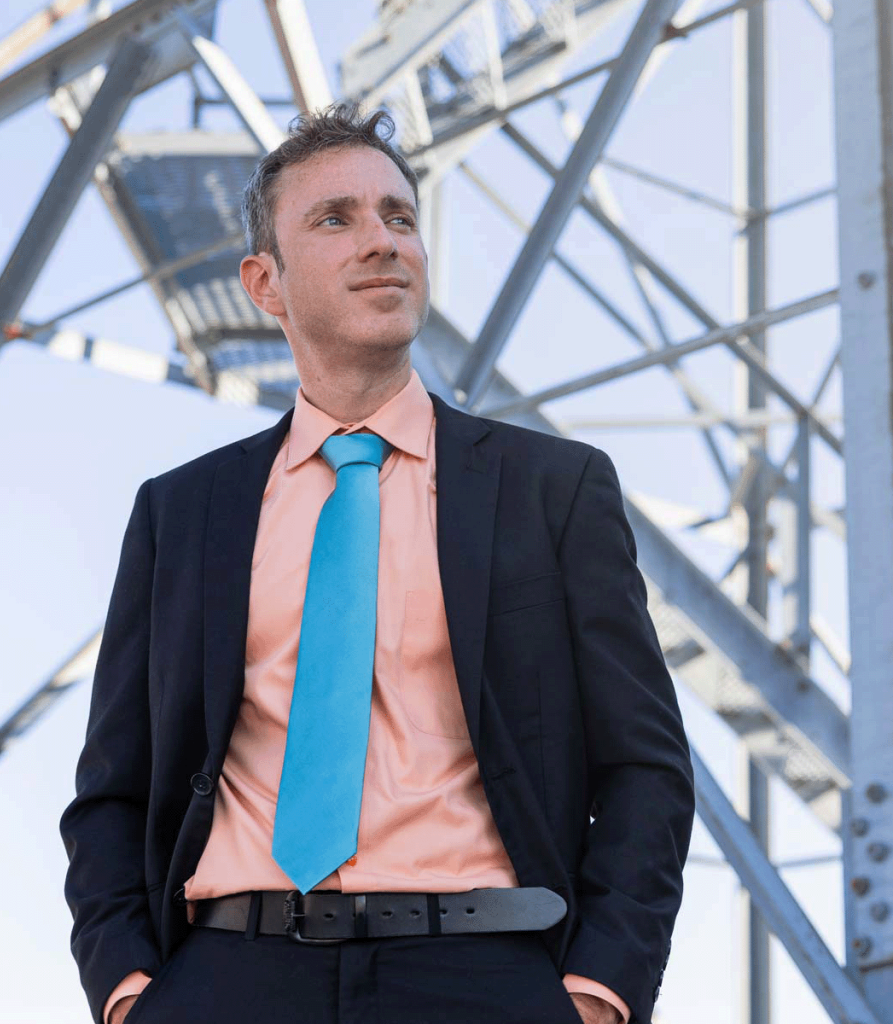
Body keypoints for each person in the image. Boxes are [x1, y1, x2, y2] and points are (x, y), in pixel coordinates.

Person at [60, 103, 695, 1024]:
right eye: (336, 219)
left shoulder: (552, 488)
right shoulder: (182, 512)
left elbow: (646, 766)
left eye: (399, 217)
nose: (382, 241)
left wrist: (598, 993)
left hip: (485, 976)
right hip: (228, 977)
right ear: (264, 284)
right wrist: (127, 992)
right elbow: (112, 788)